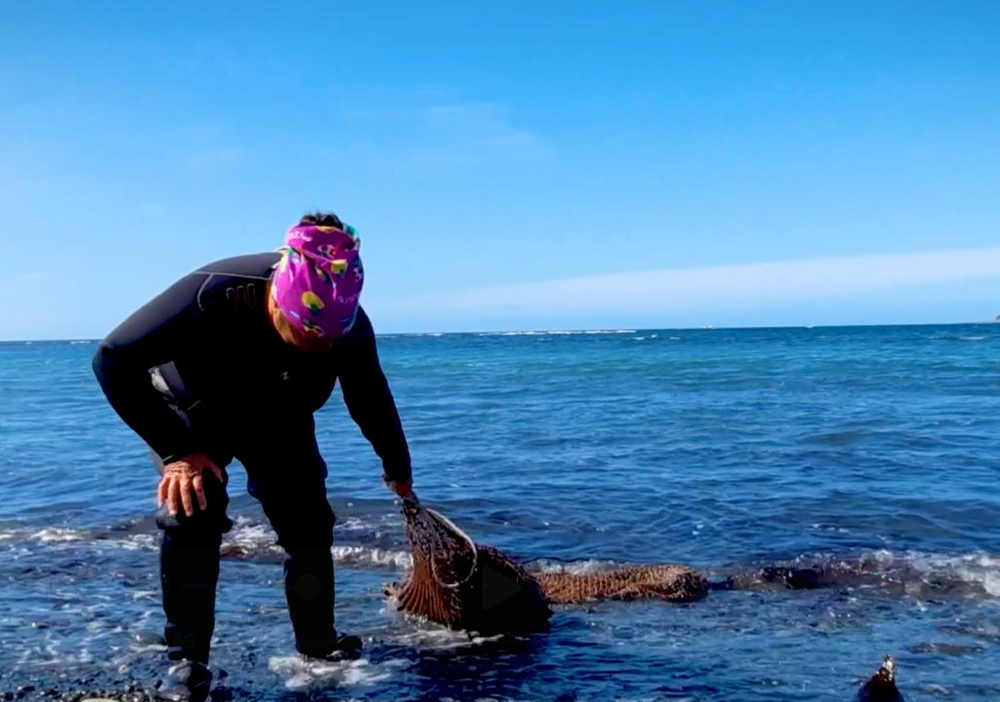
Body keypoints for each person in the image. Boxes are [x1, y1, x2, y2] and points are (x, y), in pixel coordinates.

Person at [92, 212, 414, 702]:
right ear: (280, 299)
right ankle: (186, 663)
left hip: (279, 416)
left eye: (326, 342)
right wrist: (177, 452)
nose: (318, 348)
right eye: (307, 335)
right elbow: (113, 359)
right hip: (193, 411)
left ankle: (318, 646)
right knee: (192, 516)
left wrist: (397, 468)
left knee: (308, 526)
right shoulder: (213, 293)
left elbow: (369, 396)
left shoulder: (348, 327)